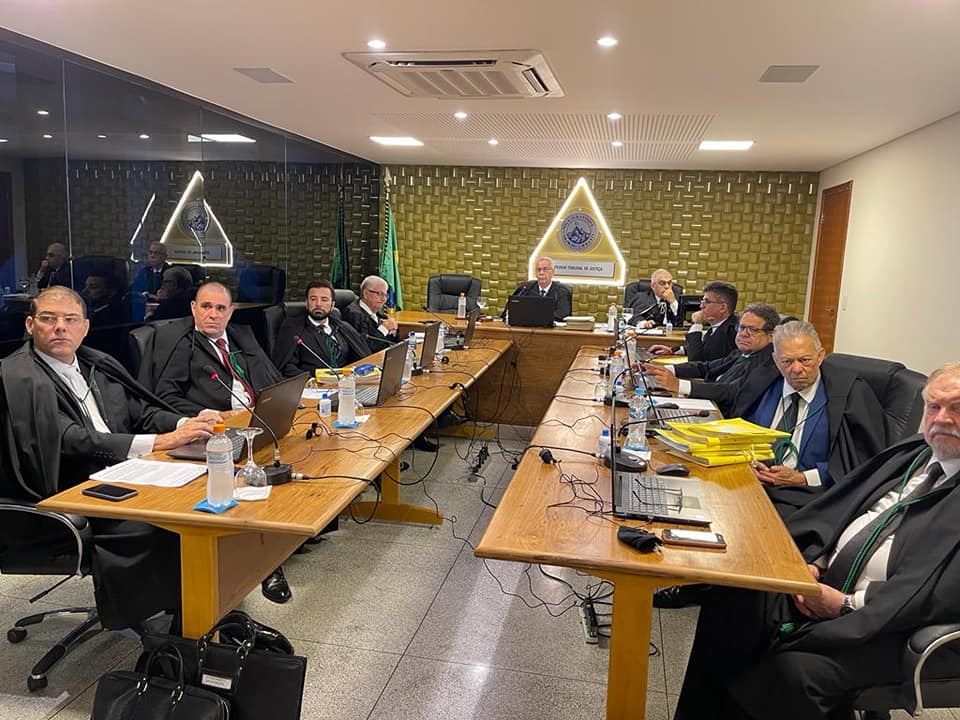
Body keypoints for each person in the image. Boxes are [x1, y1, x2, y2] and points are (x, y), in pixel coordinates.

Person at [673, 362, 960, 720]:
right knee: (731, 602)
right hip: (823, 585)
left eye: (957, 408)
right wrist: (812, 561)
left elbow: (945, 592)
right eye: (934, 406)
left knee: (791, 673)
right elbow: (840, 509)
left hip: (893, 623)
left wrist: (846, 603)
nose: (942, 419)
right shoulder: (912, 454)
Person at [0, 287, 220, 630]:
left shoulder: (95, 365)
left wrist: (185, 423)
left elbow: (141, 412)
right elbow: (71, 440)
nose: (60, 327)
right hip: (67, 489)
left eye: (70, 319)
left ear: (85, 327)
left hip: (122, 471)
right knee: (158, 526)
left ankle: (196, 613)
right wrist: (163, 441)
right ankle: (162, 627)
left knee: (201, 503)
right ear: (30, 325)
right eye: (48, 318)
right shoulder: (18, 378)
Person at [152, 281, 291, 603]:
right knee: (252, 481)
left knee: (295, 456)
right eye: (205, 306)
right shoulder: (180, 344)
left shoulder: (242, 336)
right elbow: (164, 396)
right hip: (215, 433)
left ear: (230, 312)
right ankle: (268, 564)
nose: (212, 314)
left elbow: (271, 376)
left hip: (255, 420)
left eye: (220, 308)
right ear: (193, 309)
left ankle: (287, 534)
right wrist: (208, 413)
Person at [642, 303, 781, 418]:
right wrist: (663, 369)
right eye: (742, 328)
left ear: (771, 335)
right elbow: (706, 367)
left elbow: (731, 391)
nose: (744, 334)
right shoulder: (744, 351)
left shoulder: (769, 362)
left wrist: (679, 385)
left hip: (726, 421)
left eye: (753, 330)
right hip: (712, 408)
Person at [274, 280, 372, 377]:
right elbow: (287, 367)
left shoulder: (343, 327)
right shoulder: (292, 329)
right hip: (313, 384)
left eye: (324, 299)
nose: (318, 304)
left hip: (347, 381)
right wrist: (310, 380)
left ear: (332, 305)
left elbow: (362, 356)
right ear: (306, 303)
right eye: (313, 299)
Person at [648, 281, 739, 361]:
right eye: (702, 301)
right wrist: (671, 350)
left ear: (722, 308)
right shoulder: (721, 325)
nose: (701, 306)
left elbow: (696, 359)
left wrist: (697, 324)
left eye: (707, 302)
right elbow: (704, 348)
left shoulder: (729, 332)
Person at [503, 256, 572, 322]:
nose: (541, 273)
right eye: (539, 270)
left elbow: (563, 313)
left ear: (552, 272)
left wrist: (538, 318)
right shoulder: (525, 288)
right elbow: (511, 308)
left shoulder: (561, 291)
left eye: (545, 269)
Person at [340, 275, 399, 352]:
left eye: (385, 295)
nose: (383, 299)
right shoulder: (353, 315)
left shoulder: (379, 314)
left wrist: (393, 330)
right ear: (365, 294)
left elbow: (392, 343)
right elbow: (364, 349)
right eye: (379, 294)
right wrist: (384, 329)